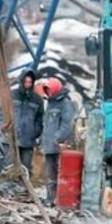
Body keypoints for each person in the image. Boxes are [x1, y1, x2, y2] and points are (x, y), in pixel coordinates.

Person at [37, 77, 77, 205]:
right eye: (46, 90)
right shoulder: (50, 104)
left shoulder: (66, 103)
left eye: (49, 89)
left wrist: (57, 138)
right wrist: (43, 140)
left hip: (61, 146)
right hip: (49, 147)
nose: (47, 92)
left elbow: (67, 125)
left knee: (62, 174)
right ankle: (51, 199)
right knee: (50, 175)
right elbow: (46, 125)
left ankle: (63, 199)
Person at [11, 69, 43, 174]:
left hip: (28, 140)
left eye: (30, 82)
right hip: (12, 138)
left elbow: (40, 118)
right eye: (26, 82)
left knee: (26, 169)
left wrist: (35, 132)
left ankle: (24, 188)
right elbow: (3, 114)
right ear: (21, 81)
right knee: (10, 167)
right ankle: (10, 188)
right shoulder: (12, 95)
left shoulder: (37, 99)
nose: (28, 84)